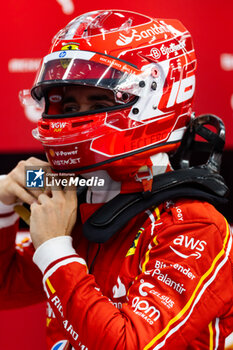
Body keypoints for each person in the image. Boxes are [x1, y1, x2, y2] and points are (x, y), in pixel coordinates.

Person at [0, 9, 233, 350]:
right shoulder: (83, 208)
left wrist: (54, 250)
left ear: (154, 100)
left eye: (97, 100)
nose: (73, 119)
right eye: (67, 107)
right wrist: (4, 204)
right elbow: (5, 289)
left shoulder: (193, 226)